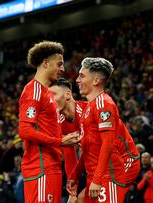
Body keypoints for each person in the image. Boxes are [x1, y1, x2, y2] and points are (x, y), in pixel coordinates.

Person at [50, 78, 140, 202]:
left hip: (125, 161)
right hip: (103, 165)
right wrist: (73, 183)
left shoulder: (90, 111)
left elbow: (106, 146)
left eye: (53, 95)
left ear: (67, 95)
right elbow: (71, 156)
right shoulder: (61, 123)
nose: (49, 100)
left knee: (91, 198)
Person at [18, 41, 81, 203]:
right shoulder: (34, 91)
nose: (63, 69)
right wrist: (59, 141)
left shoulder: (47, 94)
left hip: (51, 166)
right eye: (59, 64)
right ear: (45, 64)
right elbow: (24, 130)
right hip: (40, 168)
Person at [67, 57, 126, 203]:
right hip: (94, 177)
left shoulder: (104, 103)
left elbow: (108, 144)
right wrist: (75, 174)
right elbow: (89, 148)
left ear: (96, 80)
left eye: (82, 75)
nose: (77, 80)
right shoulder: (90, 108)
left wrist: (98, 179)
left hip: (107, 177)